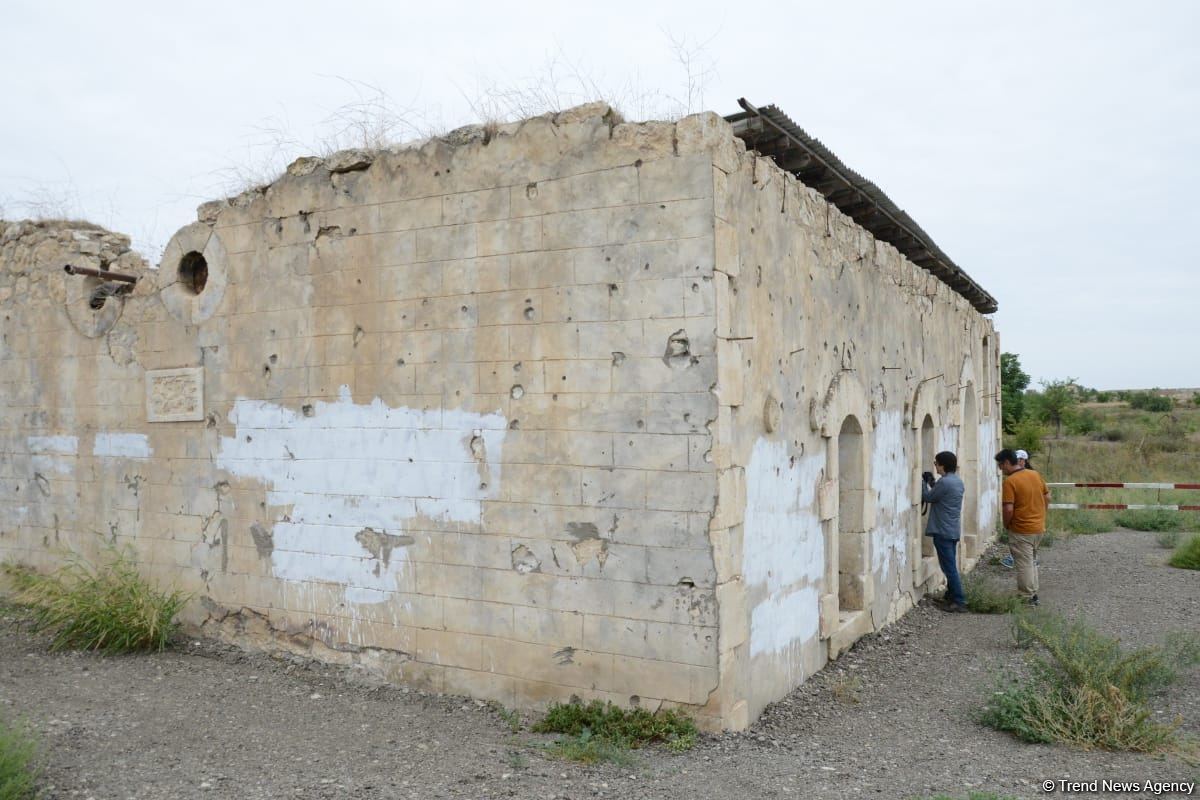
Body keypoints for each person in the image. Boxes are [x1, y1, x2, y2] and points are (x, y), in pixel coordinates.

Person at [995, 448, 1050, 605]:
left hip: (1021, 529)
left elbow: (1008, 508)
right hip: (1038, 527)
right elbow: (1047, 497)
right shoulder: (1035, 475)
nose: (1000, 469)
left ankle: (1026, 597)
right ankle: (1033, 593)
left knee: (1023, 564)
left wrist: (1006, 524)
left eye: (1000, 465)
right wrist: (1040, 515)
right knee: (1031, 561)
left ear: (1006, 462)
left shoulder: (1010, 482)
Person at [922, 451, 966, 613]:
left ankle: (959, 601)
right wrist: (933, 483)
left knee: (949, 568)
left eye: (936, 464)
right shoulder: (957, 481)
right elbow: (941, 494)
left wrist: (923, 482)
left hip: (942, 530)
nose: (936, 467)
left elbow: (928, 497)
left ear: (943, 465)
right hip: (952, 529)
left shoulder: (945, 482)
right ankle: (950, 596)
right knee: (950, 565)